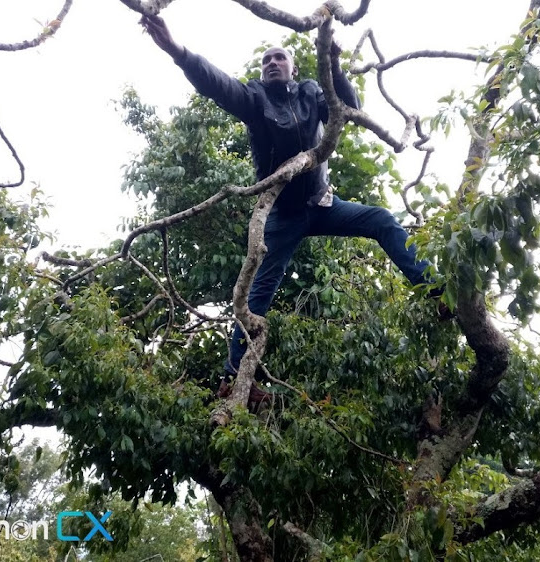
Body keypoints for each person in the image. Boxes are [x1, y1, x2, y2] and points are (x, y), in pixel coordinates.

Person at [141, 15, 437, 405]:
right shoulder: (254, 98)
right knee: (257, 293)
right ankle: (233, 379)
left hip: (323, 203)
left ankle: (434, 290)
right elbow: (218, 84)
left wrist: (332, 64)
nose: (272, 63)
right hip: (282, 213)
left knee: (381, 219)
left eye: (279, 58)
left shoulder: (312, 91)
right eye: (266, 60)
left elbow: (349, 107)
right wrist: (177, 51)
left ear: (293, 67)